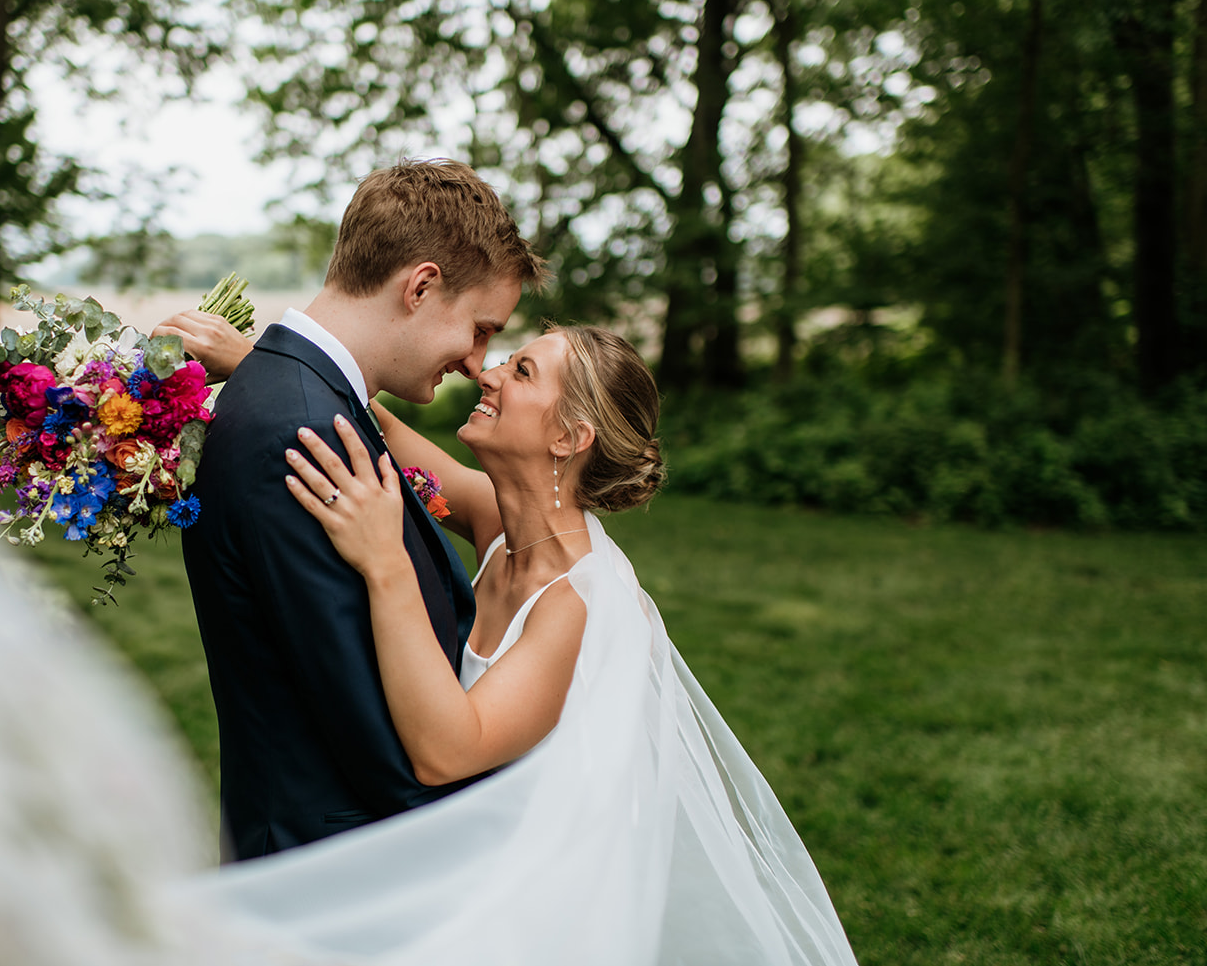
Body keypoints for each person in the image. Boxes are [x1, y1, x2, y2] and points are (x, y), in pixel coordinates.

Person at [166, 322, 861, 965]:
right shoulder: (500, 519)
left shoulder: (578, 606)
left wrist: (387, 563)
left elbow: (449, 750)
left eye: (522, 370)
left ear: (569, 436)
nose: (489, 373)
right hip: (460, 857)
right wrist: (273, 361)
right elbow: (373, 428)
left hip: (516, 901)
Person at [152, 158, 550, 861]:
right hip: (339, 878)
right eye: (482, 328)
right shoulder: (301, 437)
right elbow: (387, 754)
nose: (476, 361)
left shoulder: (312, 404)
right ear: (421, 286)